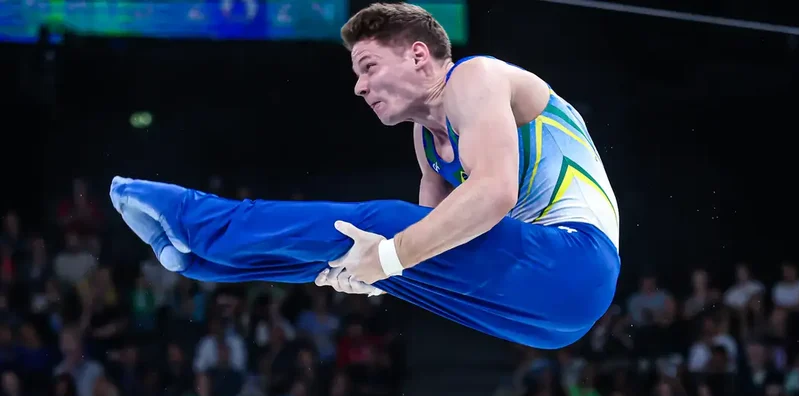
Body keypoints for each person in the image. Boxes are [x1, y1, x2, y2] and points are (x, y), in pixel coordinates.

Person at [109, 2, 620, 350]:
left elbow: (494, 194)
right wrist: (372, 275)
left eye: (369, 66)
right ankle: (197, 259)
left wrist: (389, 257)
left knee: (380, 226)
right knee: (362, 248)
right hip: (546, 316)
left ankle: (194, 217)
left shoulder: (475, 78)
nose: (359, 86)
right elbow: (438, 246)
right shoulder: (426, 139)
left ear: (419, 55)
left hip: (576, 262)